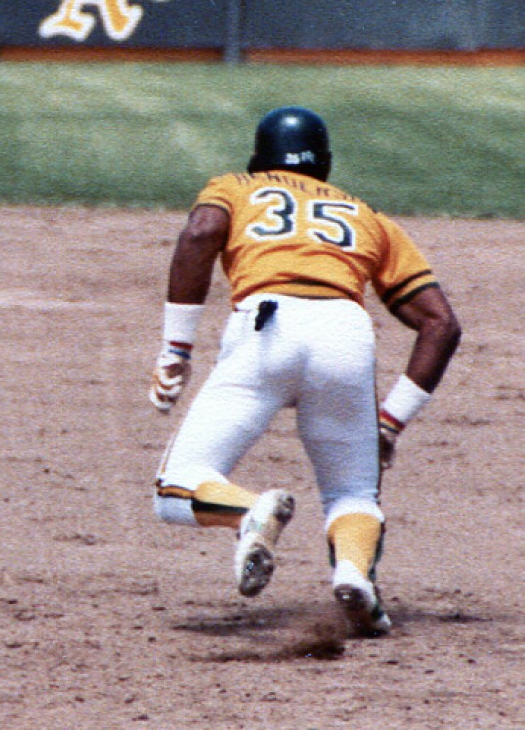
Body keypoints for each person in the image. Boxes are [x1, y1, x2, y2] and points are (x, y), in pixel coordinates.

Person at [147, 106, 461, 636]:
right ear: (327, 165)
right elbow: (441, 325)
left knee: (175, 488)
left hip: (265, 333)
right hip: (346, 335)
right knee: (354, 494)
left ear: (257, 158)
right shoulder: (368, 215)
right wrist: (390, 422)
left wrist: (176, 347)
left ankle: (249, 512)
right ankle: (355, 577)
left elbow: (201, 233)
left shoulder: (236, 187)